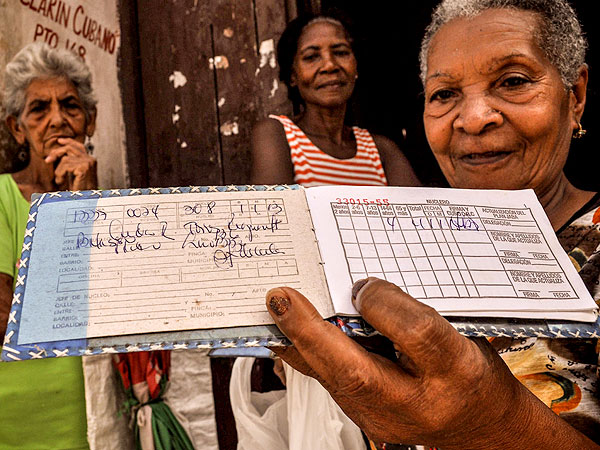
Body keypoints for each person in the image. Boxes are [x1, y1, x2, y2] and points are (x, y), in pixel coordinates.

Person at [263, 0, 600, 448]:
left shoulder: (378, 149)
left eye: (514, 81)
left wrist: (496, 423)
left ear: (574, 96)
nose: (475, 119)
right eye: (443, 94)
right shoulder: (408, 264)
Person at [0, 42, 97, 449]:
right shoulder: (3, 197)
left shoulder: (114, 206)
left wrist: (85, 201)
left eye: (70, 106)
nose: (57, 120)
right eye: (39, 110)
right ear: (17, 128)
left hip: (105, 410)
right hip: (24, 421)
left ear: (90, 121)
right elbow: (4, 320)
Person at [250, 12, 420, 187]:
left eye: (340, 52)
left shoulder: (380, 150)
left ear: (356, 68)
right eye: (311, 57)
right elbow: (277, 210)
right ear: (293, 75)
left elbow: (418, 211)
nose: (330, 65)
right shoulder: (277, 134)